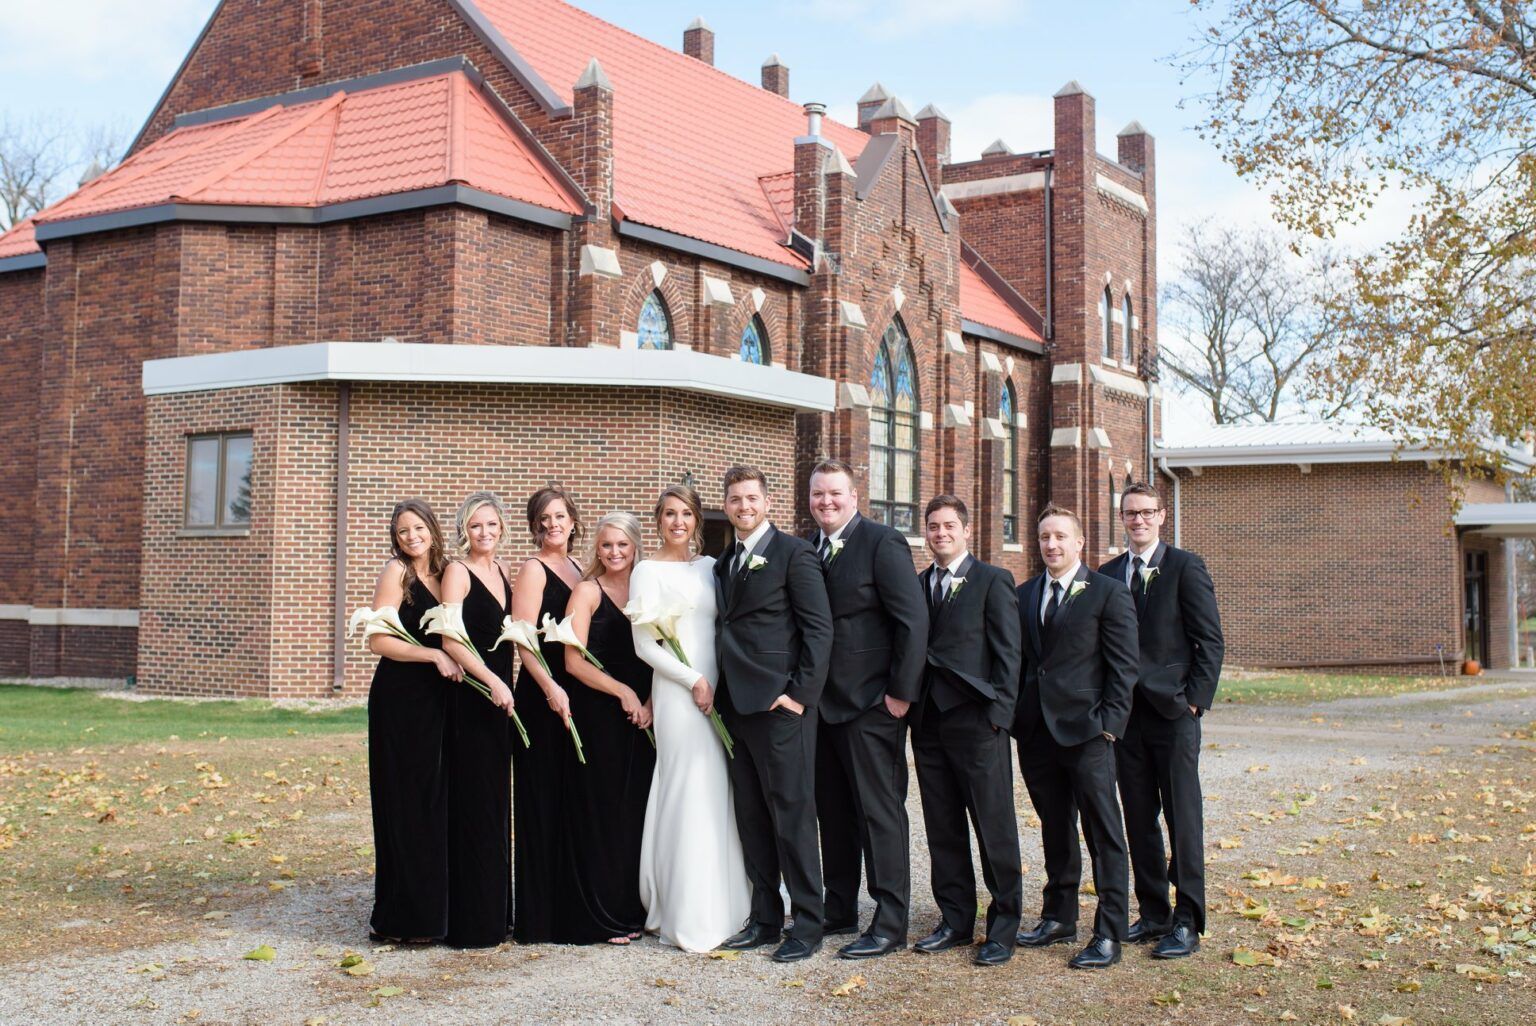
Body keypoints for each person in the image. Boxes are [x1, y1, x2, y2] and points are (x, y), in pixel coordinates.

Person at [806, 460, 927, 959]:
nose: (826, 502)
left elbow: (913, 621)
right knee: (832, 812)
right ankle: (839, 907)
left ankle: (890, 920)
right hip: (820, 707)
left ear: (855, 497)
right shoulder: (805, 548)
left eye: (835, 493)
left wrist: (900, 693)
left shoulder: (882, 543)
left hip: (872, 705)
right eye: (818, 494)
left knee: (879, 812)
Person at [712, 465, 833, 963]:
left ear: (767, 502)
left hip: (782, 707)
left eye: (751, 498)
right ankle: (765, 917)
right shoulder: (724, 563)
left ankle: (808, 922)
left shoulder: (794, 554)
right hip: (735, 709)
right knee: (752, 816)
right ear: (728, 505)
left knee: (792, 814)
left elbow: (819, 630)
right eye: (735, 499)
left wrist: (800, 695)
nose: (744, 506)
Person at [1098, 482, 1224, 959]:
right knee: (1138, 819)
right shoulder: (1107, 575)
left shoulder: (1185, 567)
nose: (1139, 520)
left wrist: (1194, 700)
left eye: (1147, 513)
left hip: (1173, 714)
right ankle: (1153, 913)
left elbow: (1210, 641)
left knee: (1182, 817)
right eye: (1131, 513)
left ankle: (1188, 920)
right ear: (1122, 518)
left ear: (1161, 516)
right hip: (1126, 719)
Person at [1015, 503, 1138, 970]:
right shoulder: (1024, 593)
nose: (1052, 545)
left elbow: (1124, 666)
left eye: (1060, 537)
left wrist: (1109, 724)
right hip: (1036, 733)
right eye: (1045, 537)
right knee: (1054, 827)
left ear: (1079, 542)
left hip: (1089, 731)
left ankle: (1109, 931)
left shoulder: (1107, 592)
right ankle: (1059, 916)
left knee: (1103, 832)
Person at [631, 484, 752, 952]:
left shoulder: (711, 568)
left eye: (686, 514)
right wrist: (692, 680)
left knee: (720, 789)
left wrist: (718, 682)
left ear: (698, 520)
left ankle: (730, 902)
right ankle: (686, 908)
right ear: (658, 520)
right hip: (680, 695)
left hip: (721, 690)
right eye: (668, 515)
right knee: (687, 787)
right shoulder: (646, 571)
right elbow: (645, 645)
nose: (678, 522)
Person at [909, 494, 1023, 967]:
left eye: (949, 525)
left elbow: (1010, 655)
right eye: (933, 526)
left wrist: (999, 716)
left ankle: (1003, 927)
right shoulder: (917, 585)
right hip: (930, 725)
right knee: (943, 826)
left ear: (966, 530)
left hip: (979, 722)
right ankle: (955, 920)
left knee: (993, 825)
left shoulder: (994, 581)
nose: (940, 533)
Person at [366, 499, 464, 944]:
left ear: (432, 528)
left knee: (435, 801)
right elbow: (377, 640)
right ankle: (402, 917)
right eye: (403, 531)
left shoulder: (445, 574)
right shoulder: (396, 573)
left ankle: (436, 911)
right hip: (400, 699)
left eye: (417, 527)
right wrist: (431, 653)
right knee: (404, 801)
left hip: (439, 698)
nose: (411, 537)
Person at [561, 512, 657, 944]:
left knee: (637, 810)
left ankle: (633, 907)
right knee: (602, 811)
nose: (614, 552)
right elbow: (572, 661)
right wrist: (622, 692)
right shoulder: (586, 591)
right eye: (606, 546)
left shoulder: (647, 588)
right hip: (600, 712)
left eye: (622, 544)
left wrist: (652, 701)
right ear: (596, 550)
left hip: (646, 716)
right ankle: (602, 915)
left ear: (635, 545)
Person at [436, 492, 519, 948]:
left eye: (490, 524)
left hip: (498, 699)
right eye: (475, 526)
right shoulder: (458, 572)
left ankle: (496, 912)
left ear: (501, 527)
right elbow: (451, 639)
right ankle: (471, 922)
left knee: (494, 804)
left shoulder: (504, 571)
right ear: (463, 531)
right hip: (473, 698)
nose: (484, 533)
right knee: (472, 804)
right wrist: (491, 681)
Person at [508, 486, 586, 943]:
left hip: (575, 690)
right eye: (545, 519)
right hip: (543, 694)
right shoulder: (532, 569)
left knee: (569, 801)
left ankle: (567, 906)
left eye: (560, 516)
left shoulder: (579, 567)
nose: (553, 524)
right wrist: (551, 687)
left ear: (573, 520)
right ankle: (538, 918)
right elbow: (522, 639)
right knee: (540, 802)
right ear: (536, 526)